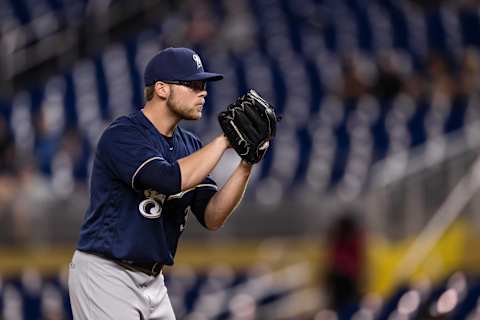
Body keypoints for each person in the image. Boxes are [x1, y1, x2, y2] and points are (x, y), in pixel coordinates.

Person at [68, 47, 257, 319]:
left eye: (203, 85)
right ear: (162, 89)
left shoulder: (190, 145)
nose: (203, 92)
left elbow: (212, 216)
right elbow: (168, 180)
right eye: (193, 84)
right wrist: (225, 140)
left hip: (153, 280)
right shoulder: (123, 135)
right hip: (106, 273)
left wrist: (246, 165)